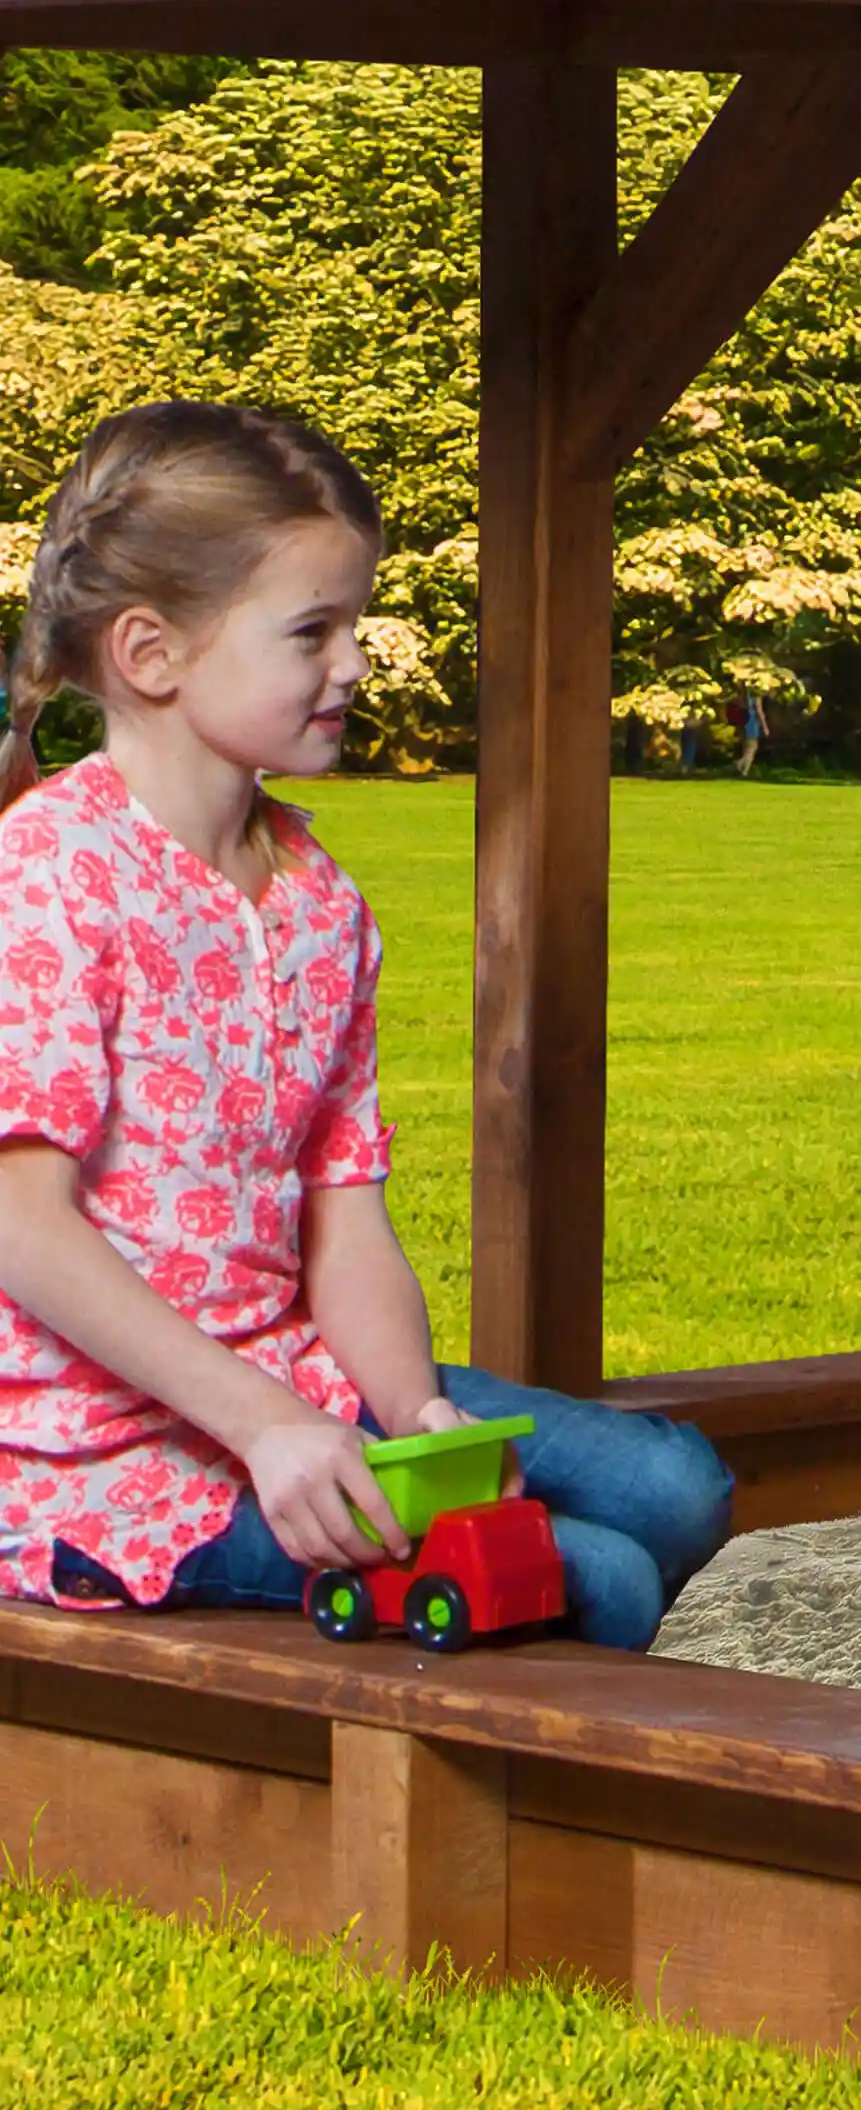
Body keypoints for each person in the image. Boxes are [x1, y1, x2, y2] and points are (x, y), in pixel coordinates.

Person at [0, 404, 732, 1649]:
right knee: (600, 1578)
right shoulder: (50, 879)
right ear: (151, 654)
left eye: (355, 624)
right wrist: (263, 1425)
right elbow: (20, 1228)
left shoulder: (320, 902)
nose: (354, 663)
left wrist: (411, 1413)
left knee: (678, 1490)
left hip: (303, 1382)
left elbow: (348, 1212)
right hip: (92, 1452)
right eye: (312, 631)